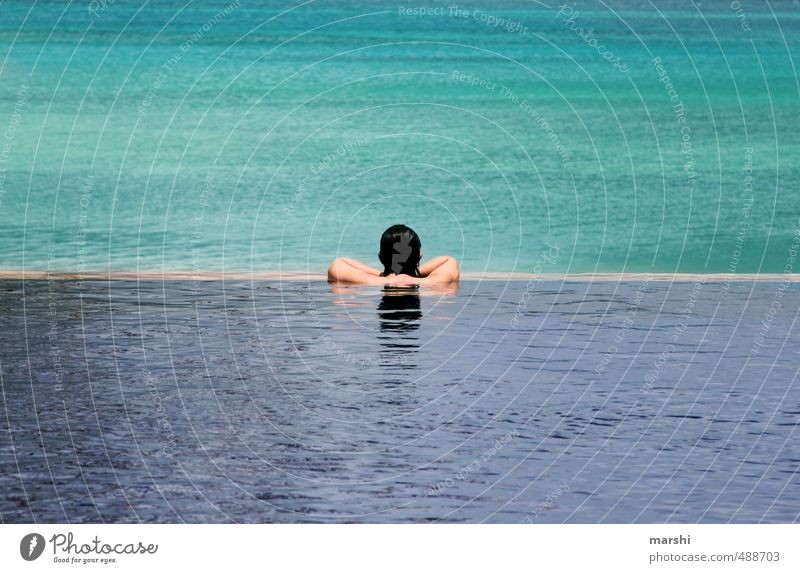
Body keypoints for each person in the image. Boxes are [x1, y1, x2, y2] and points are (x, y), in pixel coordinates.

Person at [327, 224, 459, 286]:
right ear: (420, 256)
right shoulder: (432, 282)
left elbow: (339, 262)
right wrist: (412, 271)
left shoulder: (372, 281)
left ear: (380, 257)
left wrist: (385, 275)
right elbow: (448, 260)